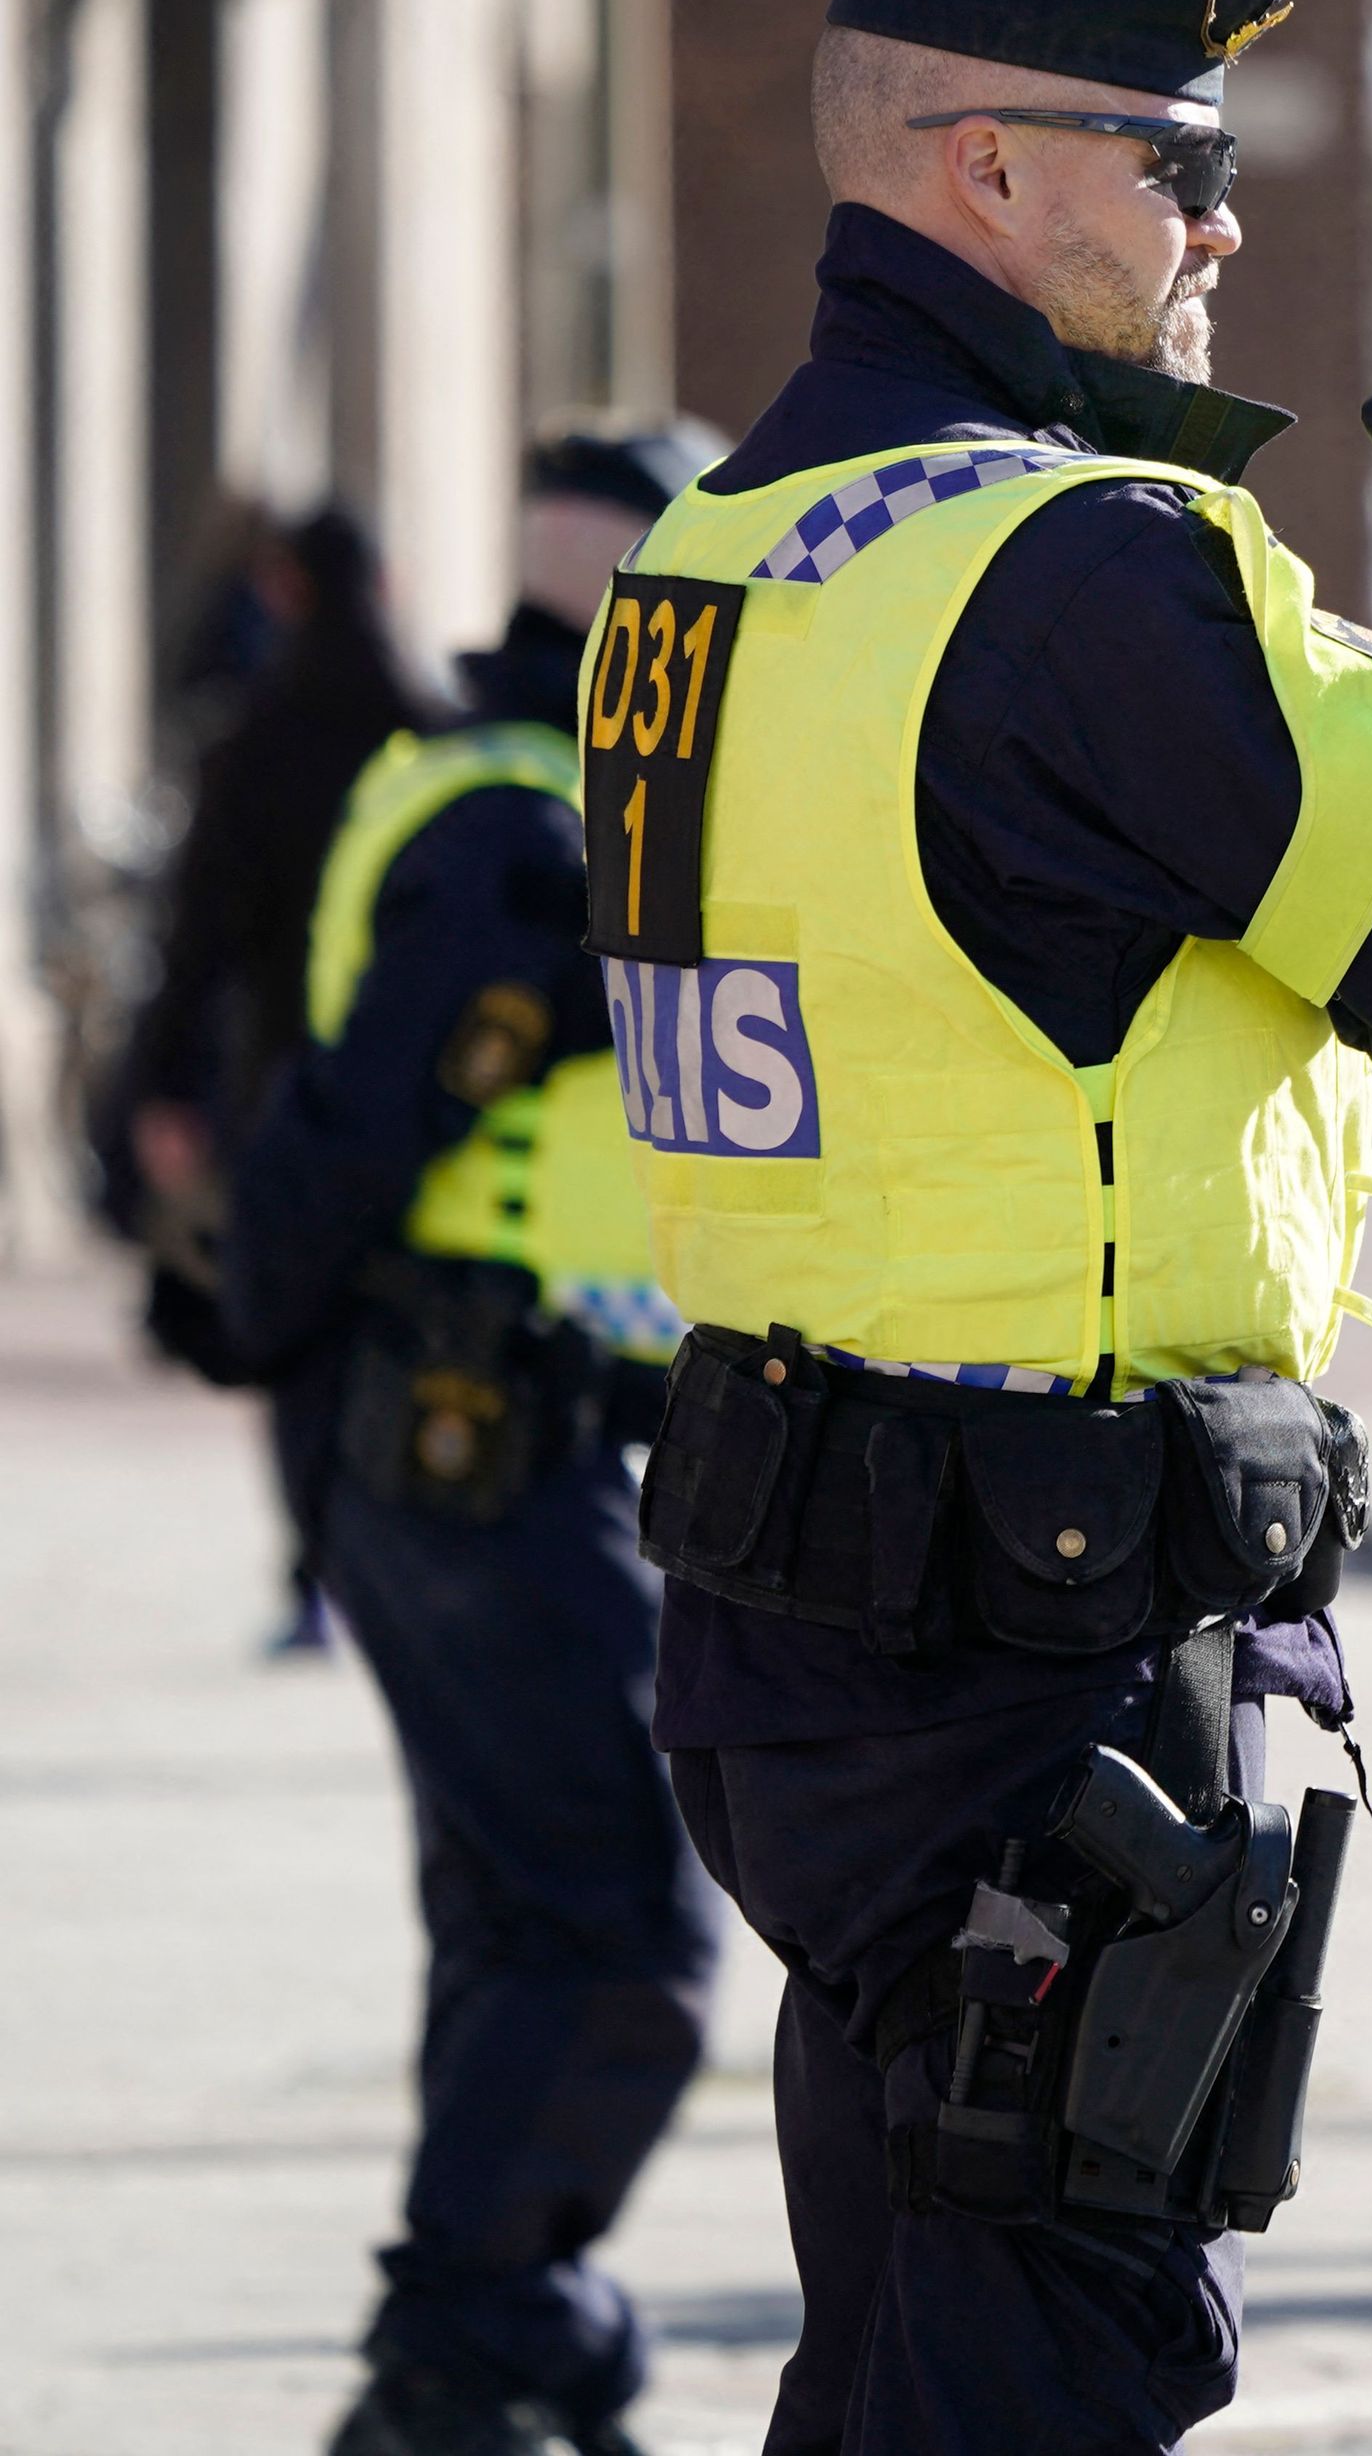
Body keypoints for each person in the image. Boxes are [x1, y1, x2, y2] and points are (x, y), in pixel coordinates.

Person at [612, 0, 1372, 2453]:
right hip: (1032, 1652)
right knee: (1048, 2372)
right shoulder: (1072, 571)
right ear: (979, 172)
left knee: (900, 2355)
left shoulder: (706, 564)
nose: (1224, 215)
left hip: (787, 1626)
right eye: (1171, 160)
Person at [224, 431, 731, 2456]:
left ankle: (502, 2337)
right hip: (470, 1436)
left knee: (520, 1916)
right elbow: (357, 1124)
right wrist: (265, 1334)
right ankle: (471, 2331)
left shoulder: (536, 792)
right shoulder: (526, 821)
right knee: (618, 1922)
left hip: (486, 1438)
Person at [104, 505, 432, 1644]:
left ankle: (311, 1567)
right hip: (406, 1085)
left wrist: (160, 1090)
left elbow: (194, 941)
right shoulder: (424, 733)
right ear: (384, 583)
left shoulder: (252, 739)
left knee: (296, 1327)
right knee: (395, 1316)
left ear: (288, 590)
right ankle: (382, 1548)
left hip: (278, 1081)